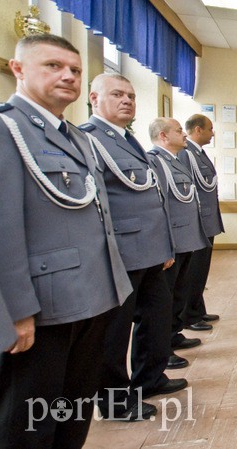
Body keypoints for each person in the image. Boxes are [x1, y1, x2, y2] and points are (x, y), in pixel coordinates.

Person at [0, 34, 132, 448]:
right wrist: (17, 311)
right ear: (18, 70)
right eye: (53, 66)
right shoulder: (8, 130)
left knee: (73, 411)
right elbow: (3, 228)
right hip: (44, 308)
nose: (68, 76)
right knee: (29, 423)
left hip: (93, 298)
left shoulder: (77, 138)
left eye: (74, 70)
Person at [80, 74, 185, 421]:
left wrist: (166, 246)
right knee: (114, 333)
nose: (127, 100)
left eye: (130, 95)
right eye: (117, 94)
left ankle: (149, 379)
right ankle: (114, 402)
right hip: (121, 254)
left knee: (155, 319)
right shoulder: (89, 139)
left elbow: (151, 199)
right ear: (94, 98)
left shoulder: (128, 140)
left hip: (151, 252)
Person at [147, 118, 210, 362]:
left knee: (179, 292)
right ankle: (163, 351)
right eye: (178, 130)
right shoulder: (154, 161)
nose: (183, 134)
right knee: (165, 297)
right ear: (163, 136)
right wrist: (165, 246)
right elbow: (159, 206)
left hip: (186, 238)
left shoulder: (174, 161)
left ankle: (173, 335)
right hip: (173, 241)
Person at [180, 114, 224, 331]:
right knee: (193, 271)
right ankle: (189, 315)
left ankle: (197, 310)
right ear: (198, 130)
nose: (212, 133)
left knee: (201, 270)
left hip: (206, 221)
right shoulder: (185, 154)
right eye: (210, 129)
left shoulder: (197, 153)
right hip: (197, 222)